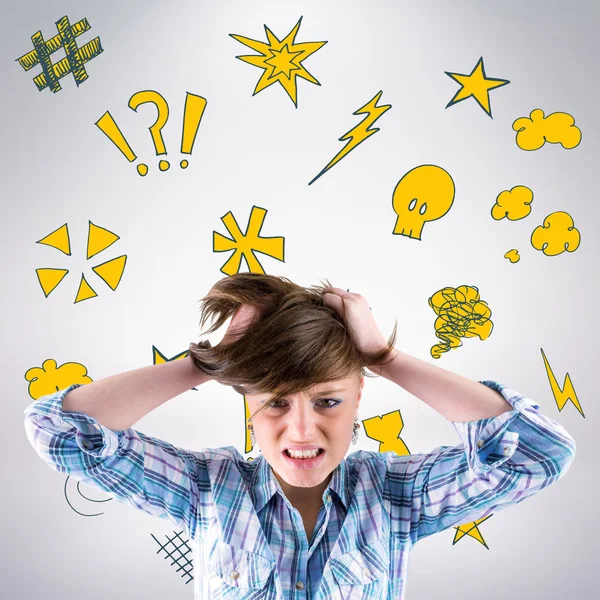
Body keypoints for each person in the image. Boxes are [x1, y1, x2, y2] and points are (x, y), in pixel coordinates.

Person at [24, 273, 576, 600]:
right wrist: (208, 363)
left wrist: (384, 357)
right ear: (246, 402)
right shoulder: (207, 489)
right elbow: (59, 431)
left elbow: (536, 453)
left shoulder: (397, 496)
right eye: (276, 403)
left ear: (360, 395)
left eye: (328, 401)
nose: (303, 430)